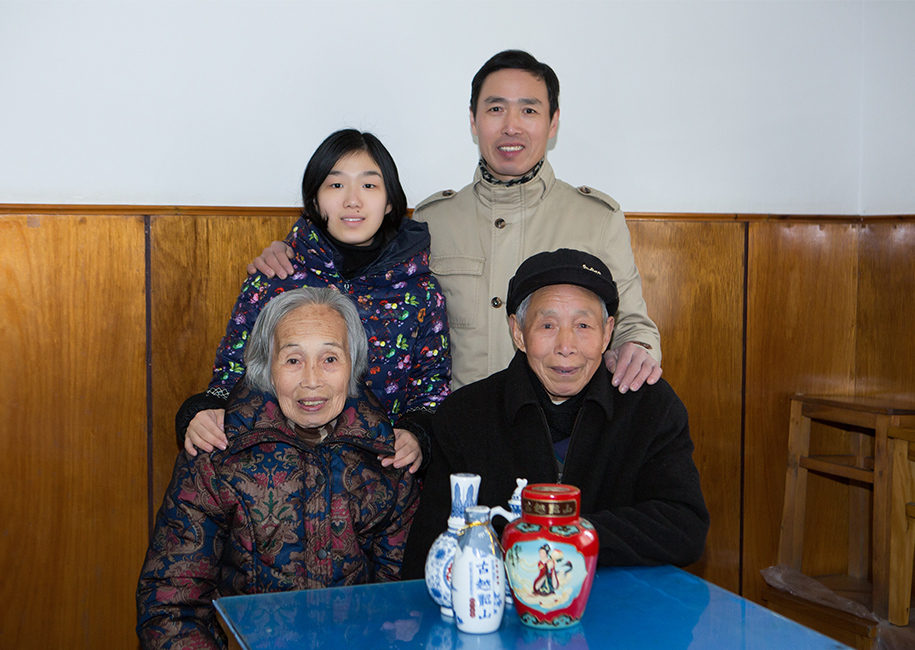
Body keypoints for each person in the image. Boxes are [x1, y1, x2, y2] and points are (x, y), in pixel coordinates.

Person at [249, 51, 661, 394]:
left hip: (560, 428)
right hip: (461, 431)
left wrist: (637, 348)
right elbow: (357, 272)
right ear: (473, 120)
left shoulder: (596, 218)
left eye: (529, 110)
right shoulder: (432, 220)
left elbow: (631, 323)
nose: (511, 126)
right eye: (495, 109)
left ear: (553, 122)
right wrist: (291, 252)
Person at [137, 287, 421, 650]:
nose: (312, 380)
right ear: (267, 368)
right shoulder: (218, 457)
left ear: (353, 366)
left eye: (330, 359)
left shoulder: (387, 463)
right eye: (293, 360)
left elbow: (402, 604)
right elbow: (170, 605)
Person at [401, 249, 708, 577]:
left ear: (607, 333)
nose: (566, 346)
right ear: (518, 333)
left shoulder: (648, 406)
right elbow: (428, 555)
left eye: (583, 325)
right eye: (547, 325)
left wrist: (564, 534)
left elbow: (684, 526)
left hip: (619, 601)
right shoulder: (465, 416)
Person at [178, 129, 450, 473]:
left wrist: (416, 434)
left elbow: (431, 392)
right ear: (315, 199)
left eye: (369, 185)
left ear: (390, 201)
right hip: (275, 478)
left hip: (379, 478)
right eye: (336, 185)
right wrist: (201, 412)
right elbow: (230, 379)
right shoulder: (275, 277)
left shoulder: (420, 292)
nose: (352, 200)